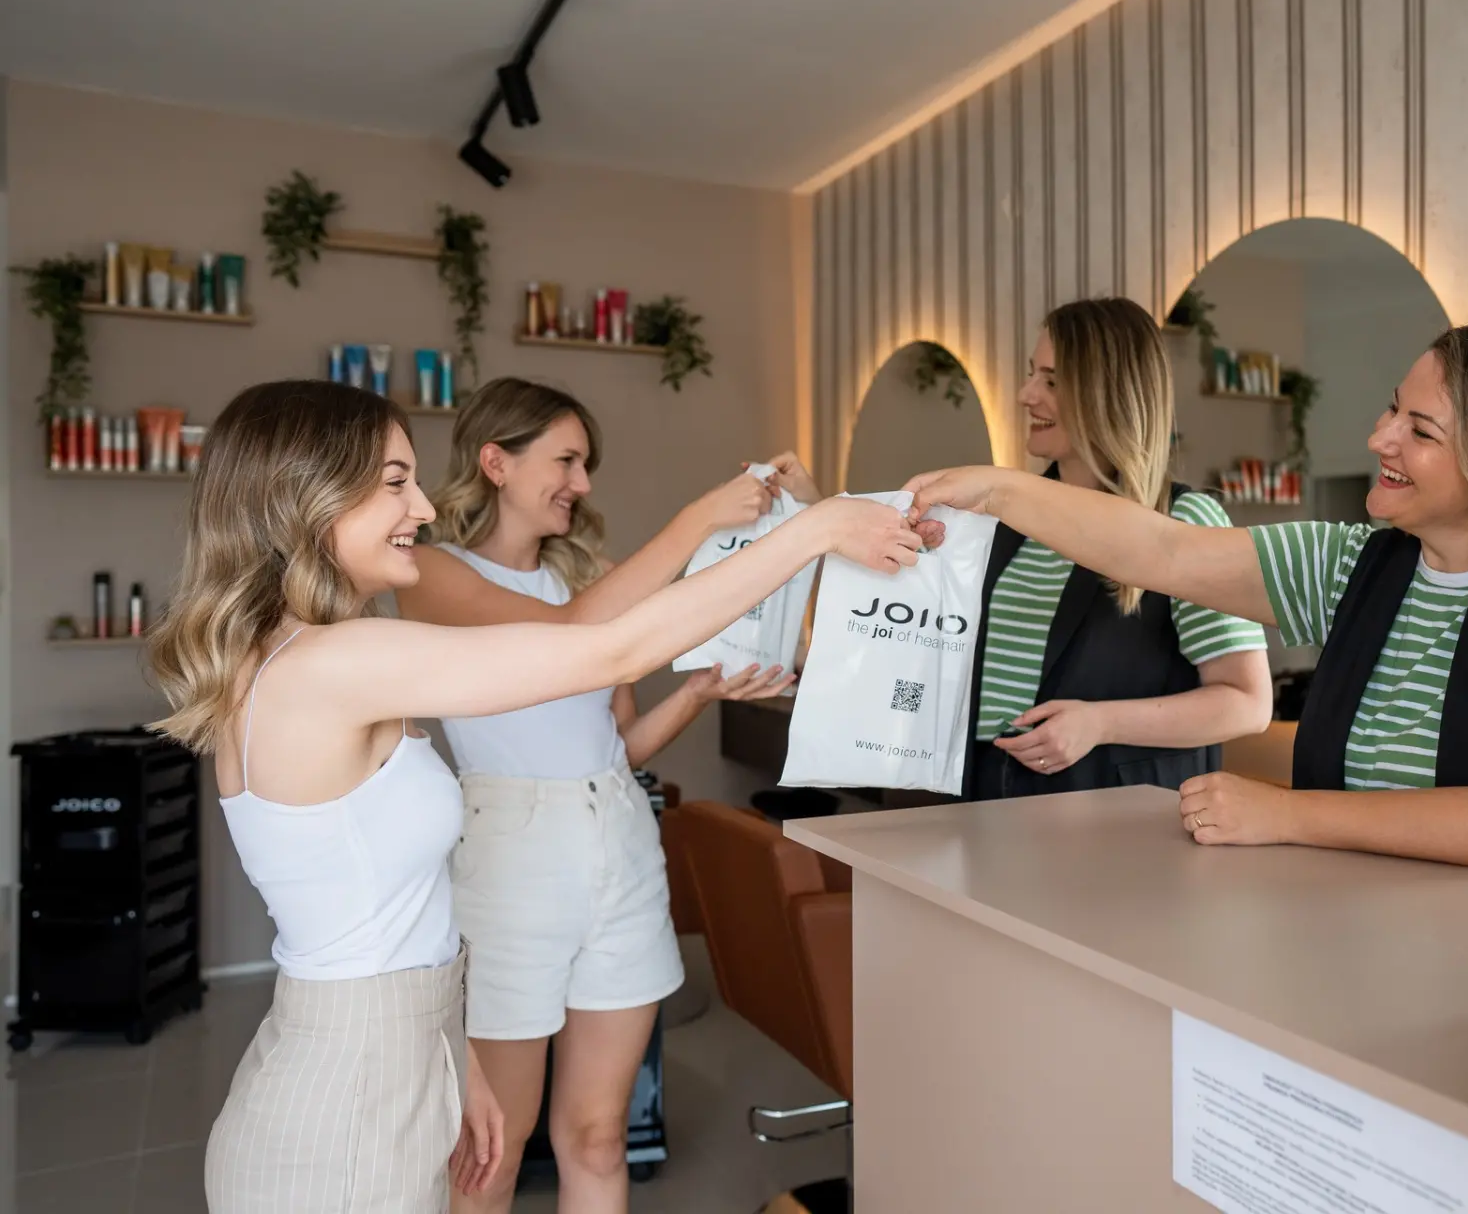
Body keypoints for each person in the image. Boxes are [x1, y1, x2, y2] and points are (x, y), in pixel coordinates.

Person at [146, 381, 918, 1214]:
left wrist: (460, 1057)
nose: (424, 509)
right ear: (309, 496)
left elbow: (384, 927)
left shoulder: (307, 658)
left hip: (387, 1052)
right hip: (348, 1102)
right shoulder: (333, 663)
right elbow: (608, 648)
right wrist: (814, 530)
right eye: (395, 482)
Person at [907, 321, 1468, 868]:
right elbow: (1162, 549)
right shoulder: (1355, 566)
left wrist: (1287, 814)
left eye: (1420, 430)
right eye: (1392, 408)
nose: (1380, 438)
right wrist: (996, 490)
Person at [392, 377, 791, 1211]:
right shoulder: (433, 572)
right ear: (496, 462)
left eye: (586, 465)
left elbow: (619, 744)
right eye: (566, 461)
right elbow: (573, 637)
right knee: (491, 1152)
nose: (581, 482)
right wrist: (700, 518)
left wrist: (698, 693)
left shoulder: (591, 578)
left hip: (618, 838)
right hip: (509, 864)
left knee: (600, 1137)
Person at [765, 300, 1273, 799]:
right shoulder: (1007, 521)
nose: (1026, 395)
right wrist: (817, 517)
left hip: (1117, 820)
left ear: (1108, 393)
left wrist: (1101, 723)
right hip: (992, 801)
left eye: (1051, 381)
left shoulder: (1185, 520)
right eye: (1033, 375)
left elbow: (1247, 703)